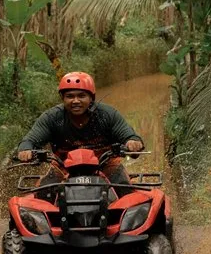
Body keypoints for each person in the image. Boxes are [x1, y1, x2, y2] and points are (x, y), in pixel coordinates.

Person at [15, 72, 145, 187]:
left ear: (91, 98)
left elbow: (128, 135)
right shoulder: (52, 118)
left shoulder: (107, 114)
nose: (75, 101)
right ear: (63, 98)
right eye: (70, 96)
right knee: (43, 196)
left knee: (125, 192)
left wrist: (132, 142)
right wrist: (25, 149)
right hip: (64, 168)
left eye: (81, 96)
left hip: (105, 166)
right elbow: (30, 139)